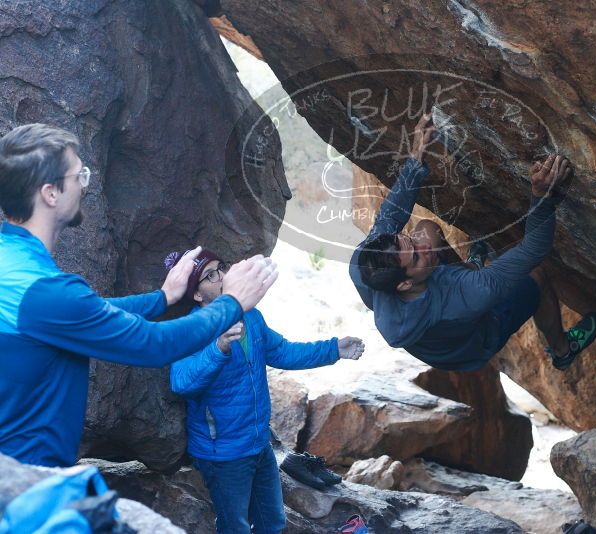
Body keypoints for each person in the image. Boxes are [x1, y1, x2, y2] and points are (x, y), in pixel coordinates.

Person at [0, 123, 277, 468]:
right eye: (79, 176)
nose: (86, 186)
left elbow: (90, 313)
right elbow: (154, 344)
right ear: (50, 194)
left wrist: (162, 298)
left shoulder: (14, 266)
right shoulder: (49, 292)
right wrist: (232, 302)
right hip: (25, 485)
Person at [349, 113, 596, 373]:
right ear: (404, 284)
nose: (423, 247)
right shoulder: (468, 295)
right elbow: (534, 249)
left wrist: (415, 160)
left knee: (426, 229)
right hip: (474, 343)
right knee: (537, 275)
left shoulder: (364, 266)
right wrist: (542, 197)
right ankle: (563, 350)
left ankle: (472, 265)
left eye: (408, 240)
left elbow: (390, 216)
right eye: (416, 256)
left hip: (438, 324)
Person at [169, 251, 365, 534]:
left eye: (220, 268)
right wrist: (219, 348)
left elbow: (283, 352)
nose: (221, 277)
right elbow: (181, 383)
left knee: (272, 523)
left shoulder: (251, 317)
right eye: (209, 276)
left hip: (259, 444)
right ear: (197, 295)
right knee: (234, 527)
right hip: (222, 453)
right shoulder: (192, 328)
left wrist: (334, 348)